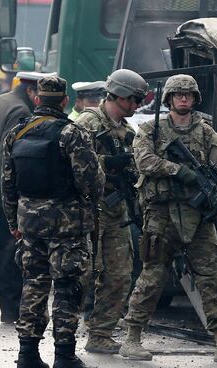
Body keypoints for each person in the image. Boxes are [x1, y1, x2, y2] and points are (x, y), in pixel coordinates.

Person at [119, 74, 217, 364]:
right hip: (162, 213)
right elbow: (144, 162)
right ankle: (131, 338)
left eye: (188, 95)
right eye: (178, 94)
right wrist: (179, 171)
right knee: (152, 276)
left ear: (195, 99)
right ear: (169, 99)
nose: (184, 99)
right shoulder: (150, 130)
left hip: (197, 215)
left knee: (212, 276)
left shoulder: (207, 134)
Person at [2, 76, 105, 368]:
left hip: (30, 227)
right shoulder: (73, 134)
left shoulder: (17, 133)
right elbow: (92, 183)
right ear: (64, 101)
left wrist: (13, 221)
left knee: (33, 285)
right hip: (67, 227)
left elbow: (7, 184)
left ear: (37, 99)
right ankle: (64, 356)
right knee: (66, 287)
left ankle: (27, 355)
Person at [74, 69, 146, 354]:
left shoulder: (128, 132)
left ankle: (101, 333)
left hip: (116, 212)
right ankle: (64, 331)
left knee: (120, 273)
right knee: (84, 274)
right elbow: (74, 163)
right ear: (121, 95)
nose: (138, 105)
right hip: (88, 211)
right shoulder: (89, 122)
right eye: (135, 99)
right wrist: (107, 163)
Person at [0, 71, 54, 324]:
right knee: (11, 249)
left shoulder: (3, 100)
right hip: (4, 192)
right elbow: (10, 157)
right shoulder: (21, 111)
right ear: (33, 93)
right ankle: (11, 309)